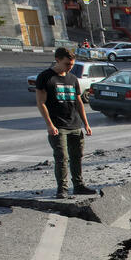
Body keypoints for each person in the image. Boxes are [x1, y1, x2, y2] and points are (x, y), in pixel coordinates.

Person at [35, 47, 94, 199]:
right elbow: (41, 102)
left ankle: (79, 186)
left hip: (75, 124)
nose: (70, 67)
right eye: (67, 64)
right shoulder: (46, 77)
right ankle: (62, 189)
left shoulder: (73, 79)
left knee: (77, 156)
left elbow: (79, 102)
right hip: (58, 125)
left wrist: (85, 124)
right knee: (62, 157)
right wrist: (50, 124)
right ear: (57, 60)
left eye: (72, 64)